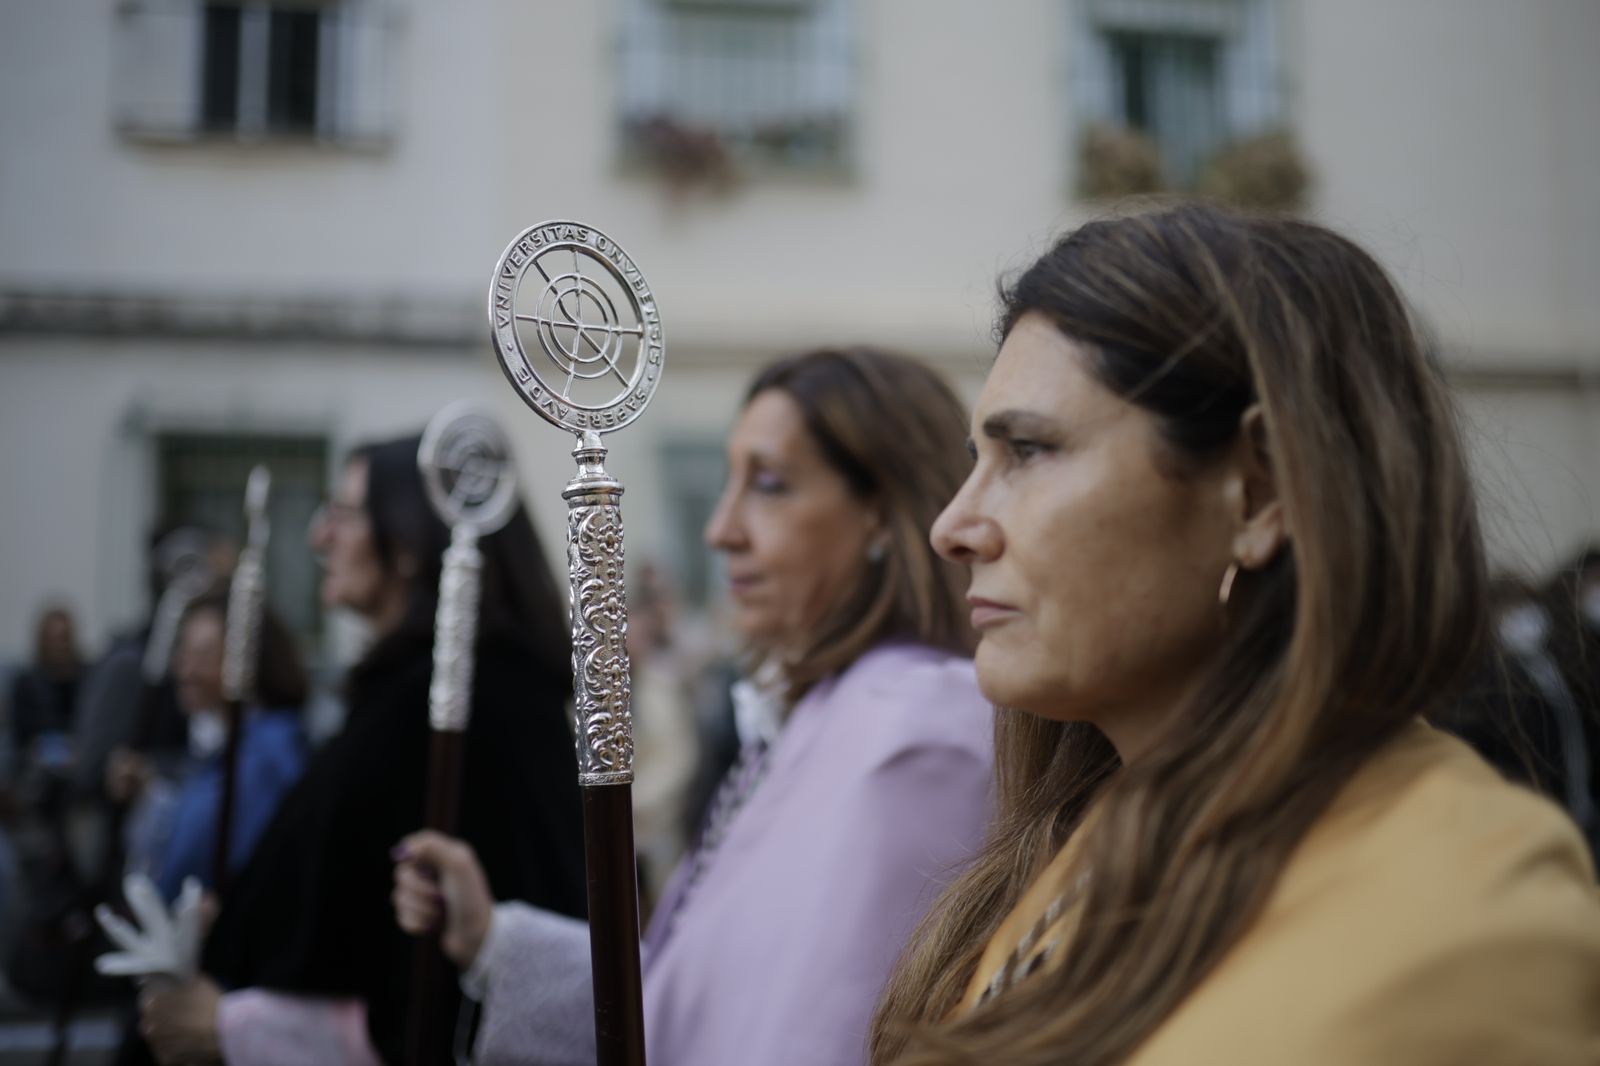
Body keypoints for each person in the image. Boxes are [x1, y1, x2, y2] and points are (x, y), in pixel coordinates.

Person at [866, 204, 1600, 1065]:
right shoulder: (1086, 841)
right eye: (976, 463)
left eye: (1027, 450)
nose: (952, 527)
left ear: (1258, 492)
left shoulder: (1472, 905)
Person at [393, 348, 996, 1066]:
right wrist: (493, 940)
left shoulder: (918, 731)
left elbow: (812, 1039)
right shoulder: (827, 707)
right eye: (727, 484)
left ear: (881, 513)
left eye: (769, 485)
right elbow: (704, 993)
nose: (721, 530)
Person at [136, 436, 587, 1066]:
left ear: (406, 546)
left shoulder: (455, 706)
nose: (320, 537)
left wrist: (235, 1026)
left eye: (343, 515)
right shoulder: (400, 695)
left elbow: (425, 985)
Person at [106, 592, 309, 901]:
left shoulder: (267, 754)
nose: (185, 670)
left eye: (203, 656)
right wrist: (149, 791)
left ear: (245, 663)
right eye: (183, 653)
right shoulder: (217, 743)